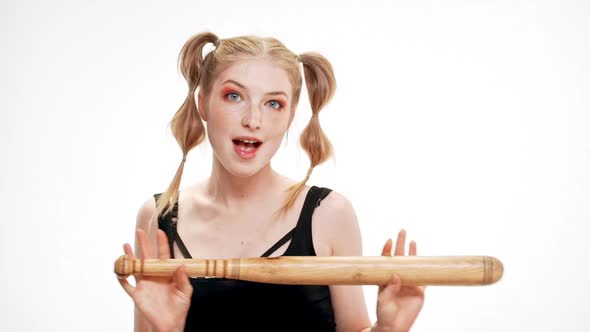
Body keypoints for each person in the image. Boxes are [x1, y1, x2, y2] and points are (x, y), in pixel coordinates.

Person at [117, 31, 425, 332]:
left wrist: (389, 329)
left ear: (290, 116)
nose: (253, 120)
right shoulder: (159, 216)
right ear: (203, 103)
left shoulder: (329, 214)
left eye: (273, 103)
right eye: (233, 96)